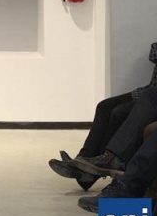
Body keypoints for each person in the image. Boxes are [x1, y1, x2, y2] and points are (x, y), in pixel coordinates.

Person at [49, 43, 157, 190]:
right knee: (104, 106)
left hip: (151, 97)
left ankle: (97, 166)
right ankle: (84, 159)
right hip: (148, 92)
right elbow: (153, 53)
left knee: (118, 112)